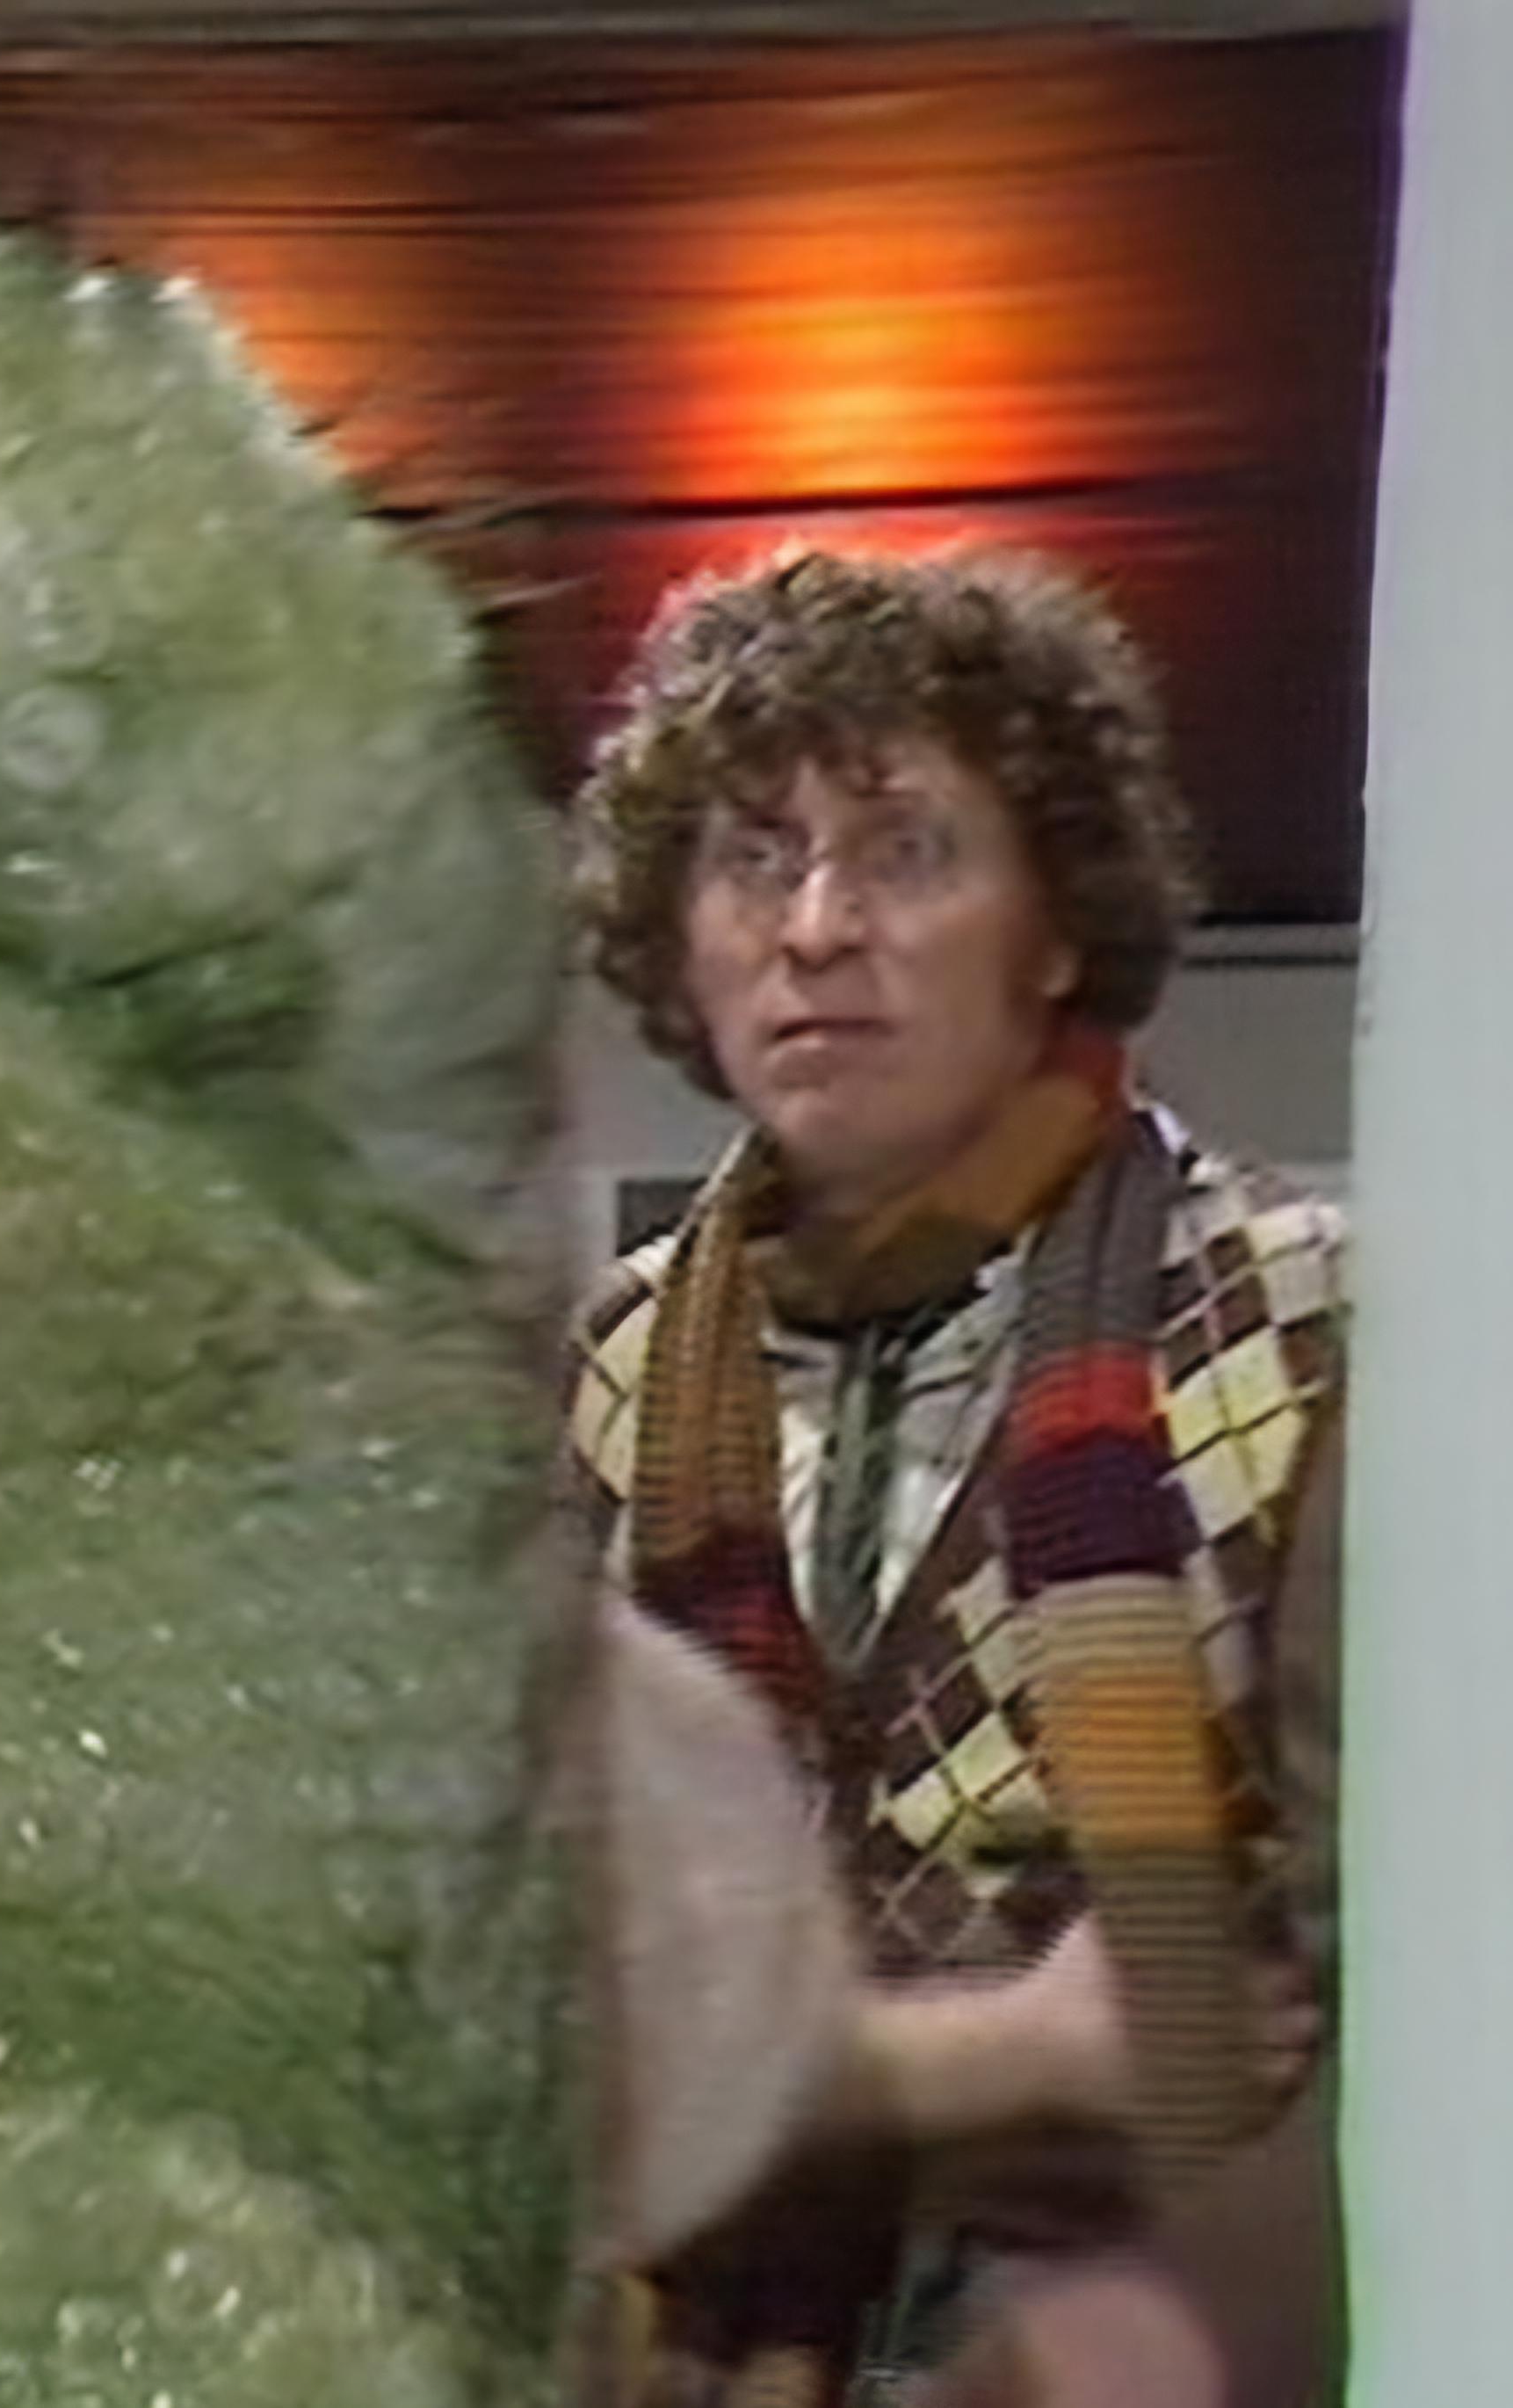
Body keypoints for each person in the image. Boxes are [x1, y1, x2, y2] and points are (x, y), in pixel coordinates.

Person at [558, 550, 1343, 2407]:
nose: (815, 926)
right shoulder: (604, 1375)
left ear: (1052, 927)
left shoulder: (1302, 1321)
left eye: (904, 851)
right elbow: (531, 1995)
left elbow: (1393, 2007)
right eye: (753, 857)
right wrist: (999, 2051)